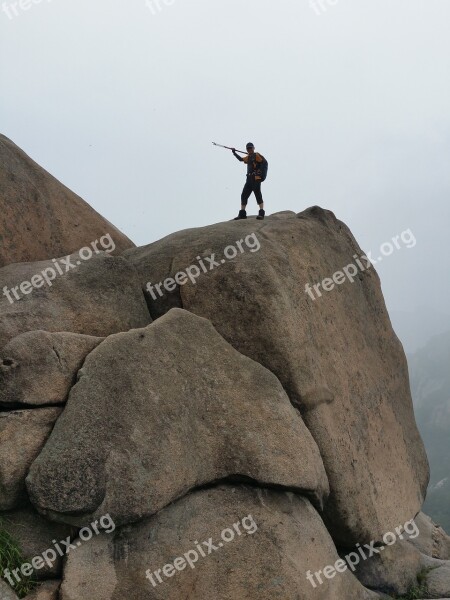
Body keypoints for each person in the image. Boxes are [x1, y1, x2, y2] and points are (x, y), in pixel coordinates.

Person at [232, 143, 266, 220]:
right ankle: (242, 214)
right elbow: (241, 159)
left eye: (250, 148)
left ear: (253, 148)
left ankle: (261, 213)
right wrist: (234, 153)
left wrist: (260, 173)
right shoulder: (248, 157)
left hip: (256, 178)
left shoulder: (256, 155)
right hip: (249, 179)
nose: (249, 149)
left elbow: (263, 162)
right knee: (244, 195)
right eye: (248, 148)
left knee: (257, 194)